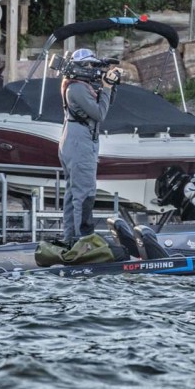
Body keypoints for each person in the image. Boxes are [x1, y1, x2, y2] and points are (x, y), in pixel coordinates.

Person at [58, 48, 121, 244]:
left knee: (73, 194)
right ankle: (83, 241)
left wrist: (110, 86)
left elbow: (105, 103)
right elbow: (99, 114)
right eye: (90, 65)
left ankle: (70, 239)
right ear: (80, 67)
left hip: (74, 141)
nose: (94, 69)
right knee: (84, 194)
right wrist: (107, 87)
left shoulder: (78, 85)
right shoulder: (77, 88)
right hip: (80, 144)